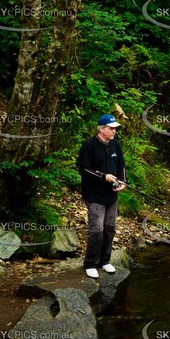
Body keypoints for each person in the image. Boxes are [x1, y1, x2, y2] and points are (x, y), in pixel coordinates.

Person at [76, 114, 126, 278]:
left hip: (112, 195)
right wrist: (103, 177)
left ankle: (105, 261)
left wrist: (122, 182)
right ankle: (90, 263)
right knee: (96, 229)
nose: (114, 131)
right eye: (111, 128)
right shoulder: (89, 145)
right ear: (101, 129)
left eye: (115, 129)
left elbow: (121, 166)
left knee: (110, 228)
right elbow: (83, 168)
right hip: (94, 194)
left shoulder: (116, 145)